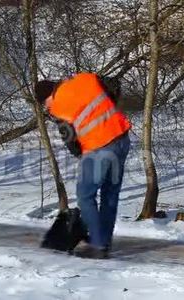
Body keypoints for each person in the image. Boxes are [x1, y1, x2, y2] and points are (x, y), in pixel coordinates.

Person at [35, 73, 131, 259]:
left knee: (85, 195)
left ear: (48, 97)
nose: (47, 108)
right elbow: (111, 85)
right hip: (121, 138)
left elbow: (70, 139)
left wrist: (81, 154)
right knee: (110, 194)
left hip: (99, 147)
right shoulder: (84, 79)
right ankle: (104, 241)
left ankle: (97, 243)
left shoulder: (58, 106)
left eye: (44, 104)